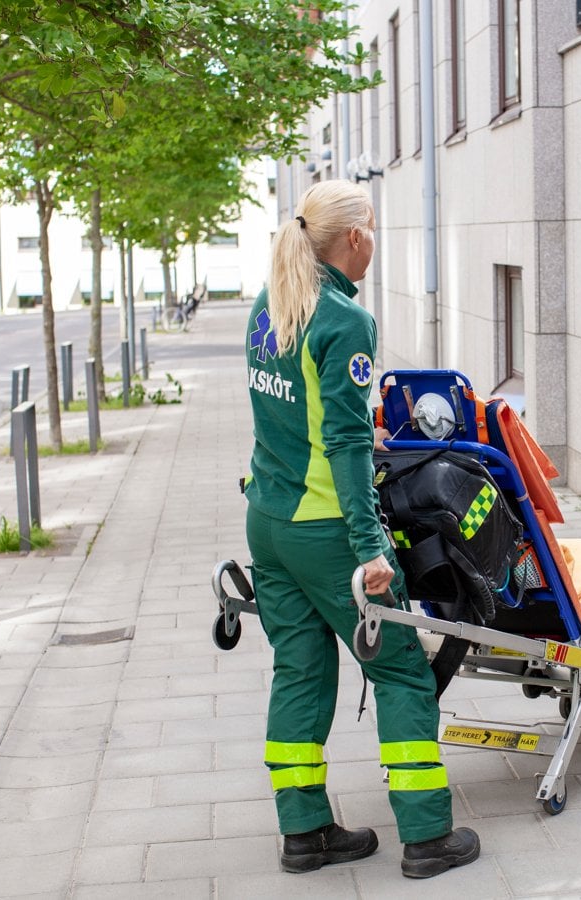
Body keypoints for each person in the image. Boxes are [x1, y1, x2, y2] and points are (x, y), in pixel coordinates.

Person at [243, 180, 480, 879]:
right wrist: (371, 549)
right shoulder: (344, 320)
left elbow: (285, 419)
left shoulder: (273, 301)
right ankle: (427, 836)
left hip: (269, 521)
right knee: (402, 670)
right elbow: (346, 447)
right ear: (353, 238)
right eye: (371, 229)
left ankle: (305, 831)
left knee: (300, 671)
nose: (374, 240)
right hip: (325, 531)